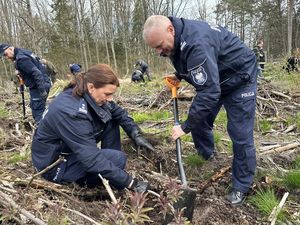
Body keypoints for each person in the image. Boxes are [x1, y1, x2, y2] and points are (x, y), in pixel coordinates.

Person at [143, 15, 258, 204]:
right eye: (155, 48)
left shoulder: (196, 42)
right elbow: (195, 64)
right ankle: (206, 155)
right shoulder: (176, 38)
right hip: (216, 79)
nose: (158, 52)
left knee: (240, 134)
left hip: (239, 78)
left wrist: (184, 127)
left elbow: (209, 91)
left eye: (160, 45)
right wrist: (179, 75)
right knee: (200, 120)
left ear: (170, 30)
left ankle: (241, 187)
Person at [31, 63, 154, 192]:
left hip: (68, 148)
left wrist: (135, 133)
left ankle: (111, 170)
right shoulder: (72, 113)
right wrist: (130, 182)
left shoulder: (85, 92)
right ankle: (108, 175)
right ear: (91, 87)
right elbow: (91, 159)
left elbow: (118, 113)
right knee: (118, 159)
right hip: (55, 164)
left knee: (110, 121)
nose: (110, 99)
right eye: (107, 94)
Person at [0, 43, 51, 123]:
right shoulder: (24, 52)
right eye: (4, 56)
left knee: (38, 114)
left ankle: (43, 133)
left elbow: (36, 73)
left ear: (10, 49)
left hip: (38, 86)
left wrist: (42, 90)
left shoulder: (21, 59)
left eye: (6, 54)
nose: (7, 57)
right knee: (39, 109)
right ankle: (48, 129)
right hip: (44, 82)